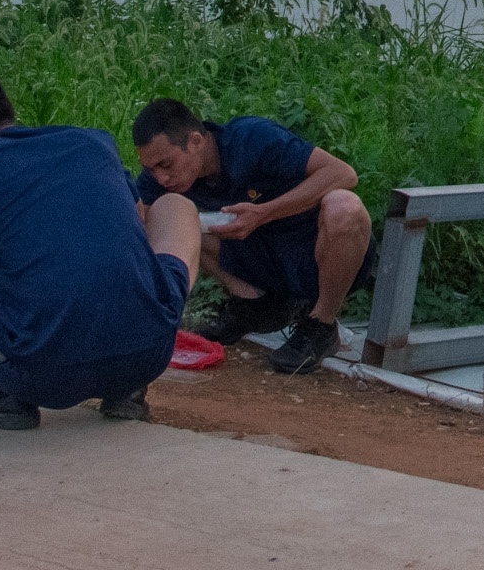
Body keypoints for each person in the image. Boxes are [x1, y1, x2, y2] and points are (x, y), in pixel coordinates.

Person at [0, 65, 205, 431]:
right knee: (175, 206)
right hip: (148, 354)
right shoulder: (92, 142)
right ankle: (127, 390)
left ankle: (1, 390)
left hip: (37, 374)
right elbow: (135, 230)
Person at [128, 97, 375, 376]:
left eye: (166, 165)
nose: (161, 178)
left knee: (345, 206)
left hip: (314, 254)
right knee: (170, 220)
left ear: (195, 141)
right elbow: (138, 224)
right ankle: (255, 304)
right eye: (152, 169)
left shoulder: (253, 139)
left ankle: (322, 323)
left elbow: (343, 173)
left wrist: (264, 213)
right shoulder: (159, 175)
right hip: (259, 257)